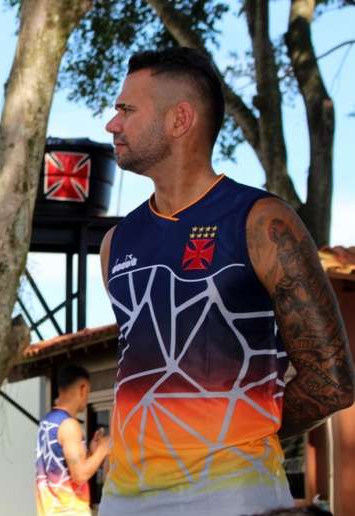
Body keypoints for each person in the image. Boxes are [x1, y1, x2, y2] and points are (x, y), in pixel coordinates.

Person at [98, 47, 354, 515]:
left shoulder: (261, 223)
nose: (112, 124)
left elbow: (331, 381)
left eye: (126, 110)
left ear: (180, 120)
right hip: (123, 498)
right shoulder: (116, 243)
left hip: (232, 493)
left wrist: (231, 431)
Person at [35, 364, 110, 515]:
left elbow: (65, 470)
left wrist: (91, 453)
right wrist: (103, 449)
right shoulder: (69, 425)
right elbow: (80, 475)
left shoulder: (47, 422)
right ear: (82, 389)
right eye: (88, 392)